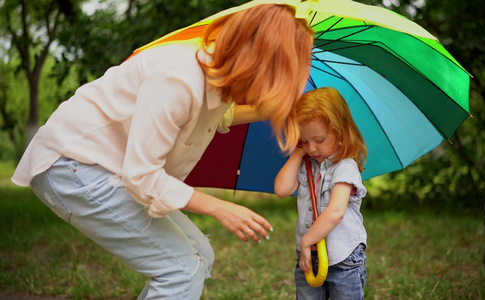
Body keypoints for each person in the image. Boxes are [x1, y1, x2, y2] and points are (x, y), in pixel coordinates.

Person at [11, 4, 314, 299]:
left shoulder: (215, 76)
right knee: (182, 270)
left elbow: (218, 115)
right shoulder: (178, 78)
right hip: (71, 165)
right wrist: (221, 208)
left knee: (200, 255)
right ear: (261, 63)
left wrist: (271, 108)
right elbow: (142, 176)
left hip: (109, 167)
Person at [274, 87, 368, 299]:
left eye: (319, 140)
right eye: (305, 140)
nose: (312, 148)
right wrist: (297, 153)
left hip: (343, 258)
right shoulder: (308, 164)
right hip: (309, 256)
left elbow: (336, 212)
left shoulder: (344, 166)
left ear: (340, 132)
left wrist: (307, 240)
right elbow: (281, 189)